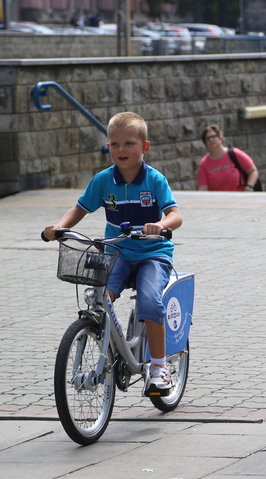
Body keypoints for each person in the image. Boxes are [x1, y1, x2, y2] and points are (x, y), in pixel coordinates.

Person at [43, 112, 183, 392]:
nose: (120, 150)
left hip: (153, 253)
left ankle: (159, 366)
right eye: (114, 144)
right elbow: (80, 208)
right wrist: (59, 227)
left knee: (150, 302)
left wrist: (160, 224)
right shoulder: (103, 180)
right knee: (99, 296)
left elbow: (175, 215)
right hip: (117, 252)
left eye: (129, 143)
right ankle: (110, 342)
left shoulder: (154, 180)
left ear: (145, 147)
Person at [198, 125, 260, 191]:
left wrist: (249, 188)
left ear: (220, 138)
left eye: (213, 136)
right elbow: (203, 188)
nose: (211, 140)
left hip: (240, 198)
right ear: (205, 143)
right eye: (208, 138)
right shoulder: (204, 164)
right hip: (219, 200)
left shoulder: (235, 154)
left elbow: (253, 171)